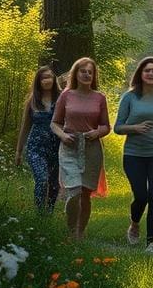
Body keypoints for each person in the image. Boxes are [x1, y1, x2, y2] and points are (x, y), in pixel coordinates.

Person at [114, 56, 153, 254]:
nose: (151, 74)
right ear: (140, 74)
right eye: (147, 70)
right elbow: (117, 127)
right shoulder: (130, 97)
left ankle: (151, 244)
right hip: (134, 154)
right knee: (141, 197)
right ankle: (134, 223)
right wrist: (135, 128)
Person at [50, 57, 110, 240]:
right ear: (75, 73)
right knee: (73, 191)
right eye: (83, 71)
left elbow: (106, 126)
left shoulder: (99, 98)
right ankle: (71, 230)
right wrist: (63, 135)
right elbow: (55, 123)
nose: (86, 74)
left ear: (94, 76)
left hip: (92, 148)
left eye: (90, 72)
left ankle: (80, 231)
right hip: (69, 146)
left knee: (85, 193)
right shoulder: (66, 95)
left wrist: (97, 133)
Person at [14, 66, 61, 212]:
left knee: (54, 183)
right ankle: (39, 213)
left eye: (49, 77)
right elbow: (25, 127)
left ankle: (49, 212)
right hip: (36, 147)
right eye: (43, 78)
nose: (47, 80)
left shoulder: (61, 99)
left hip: (57, 147)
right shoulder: (32, 102)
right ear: (38, 81)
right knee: (42, 179)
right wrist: (19, 151)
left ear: (54, 79)